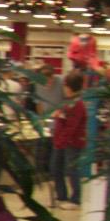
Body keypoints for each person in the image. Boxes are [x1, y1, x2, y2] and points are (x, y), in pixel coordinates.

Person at [48, 69, 86, 207]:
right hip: (61, 141)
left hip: (72, 142)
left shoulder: (77, 104)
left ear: (69, 86)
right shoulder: (69, 102)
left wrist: (60, 141)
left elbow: (71, 127)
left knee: (72, 170)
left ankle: (75, 199)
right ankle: (61, 196)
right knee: (56, 168)